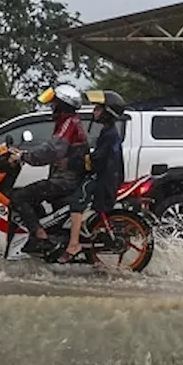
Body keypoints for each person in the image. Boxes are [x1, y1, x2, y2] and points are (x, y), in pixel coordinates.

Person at [10, 83, 89, 254]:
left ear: (62, 106)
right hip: (67, 178)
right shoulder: (69, 122)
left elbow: (52, 151)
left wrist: (24, 156)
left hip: (65, 181)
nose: (51, 107)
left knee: (20, 197)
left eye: (54, 103)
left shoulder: (69, 123)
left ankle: (40, 237)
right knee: (33, 197)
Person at [58, 89, 128, 263]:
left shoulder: (110, 134)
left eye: (98, 109)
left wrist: (74, 162)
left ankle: (73, 244)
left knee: (76, 202)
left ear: (107, 112)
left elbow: (97, 159)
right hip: (106, 176)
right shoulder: (108, 132)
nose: (94, 111)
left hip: (103, 179)